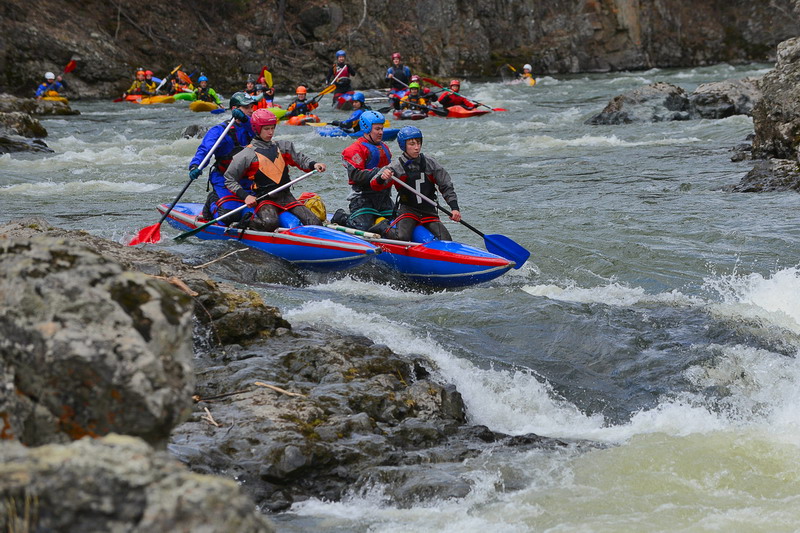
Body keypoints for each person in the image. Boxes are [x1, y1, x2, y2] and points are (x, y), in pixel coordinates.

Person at [223, 108, 327, 231]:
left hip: (286, 196)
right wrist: (245, 196)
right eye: (266, 129)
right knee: (270, 223)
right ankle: (245, 223)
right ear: (256, 129)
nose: (271, 132)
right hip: (264, 199)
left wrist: (314, 164)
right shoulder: (246, 154)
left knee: (314, 222)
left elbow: (300, 159)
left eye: (272, 128)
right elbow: (229, 179)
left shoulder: (283, 147)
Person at [373, 126, 461, 241]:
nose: (417, 147)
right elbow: (374, 184)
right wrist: (382, 177)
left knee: (446, 239)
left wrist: (454, 208)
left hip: (428, 210)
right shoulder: (396, 167)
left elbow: (446, 185)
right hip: (409, 210)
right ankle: (383, 227)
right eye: (412, 144)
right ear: (403, 145)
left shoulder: (430, 163)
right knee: (402, 237)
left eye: (419, 143)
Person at [189, 92, 257, 222]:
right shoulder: (218, 130)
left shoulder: (253, 126)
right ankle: (212, 201)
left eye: (251, 107)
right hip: (224, 178)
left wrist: (244, 119)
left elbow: (260, 133)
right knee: (228, 216)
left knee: (257, 214)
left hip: (248, 178)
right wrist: (195, 166)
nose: (251, 110)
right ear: (234, 109)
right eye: (246, 107)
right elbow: (205, 150)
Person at [338, 110, 393, 231]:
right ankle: (342, 218)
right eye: (377, 129)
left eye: (382, 129)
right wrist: (379, 173)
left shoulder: (385, 148)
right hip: (362, 198)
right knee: (363, 227)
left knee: (398, 222)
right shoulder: (355, 149)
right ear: (367, 129)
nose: (381, 132)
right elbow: (355, 175)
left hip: (383, 197)